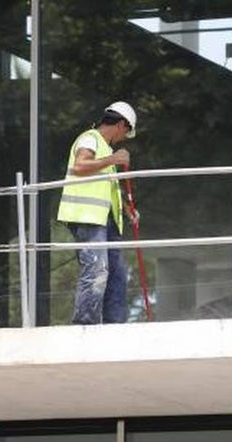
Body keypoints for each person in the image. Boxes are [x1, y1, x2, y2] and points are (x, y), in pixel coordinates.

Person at [57, 101, 139, 324]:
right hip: (87, 218)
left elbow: (106, 187)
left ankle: (115, 326)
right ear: (121, 124)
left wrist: (126, 209)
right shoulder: (90, 138)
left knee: (117, 275)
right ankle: (86, 326)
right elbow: (80, 166)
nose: (123, 137)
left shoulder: (104, 150)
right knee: (97, 270)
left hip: (105, 220)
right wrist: (114, 159)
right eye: (126, 132)